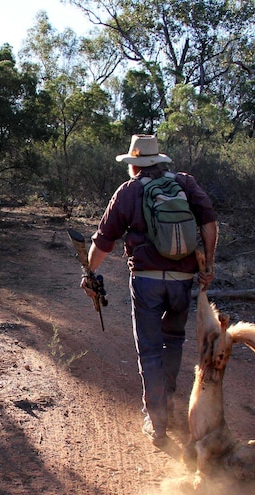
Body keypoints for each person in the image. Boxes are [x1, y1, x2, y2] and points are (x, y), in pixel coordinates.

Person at [81, 134, 217, 446]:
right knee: (173, 341)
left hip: (146, 281)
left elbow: (103, 241)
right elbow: (209, 221)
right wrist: (208, 264)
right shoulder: (185, 183)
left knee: (150, 349)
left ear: (134, 165)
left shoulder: (129, 191)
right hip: (183, 281)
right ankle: (166, 401)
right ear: (159, 161)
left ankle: (157, 420)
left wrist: (90, 272)